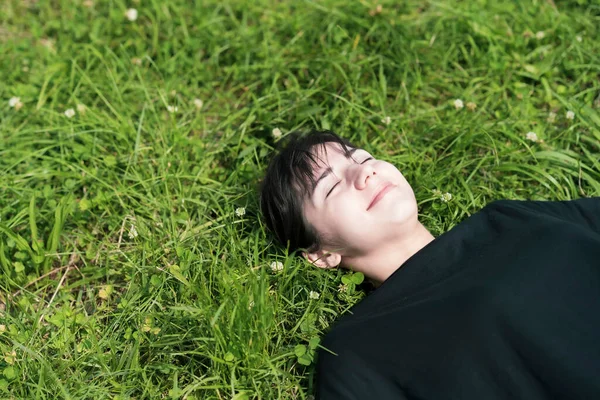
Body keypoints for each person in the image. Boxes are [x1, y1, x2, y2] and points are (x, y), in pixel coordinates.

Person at [259, 130, 600, 399]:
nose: (365, 172)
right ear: (321, 254)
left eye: (362, 158)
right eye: (332, 186)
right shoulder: (360, 349)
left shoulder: (508, 217)